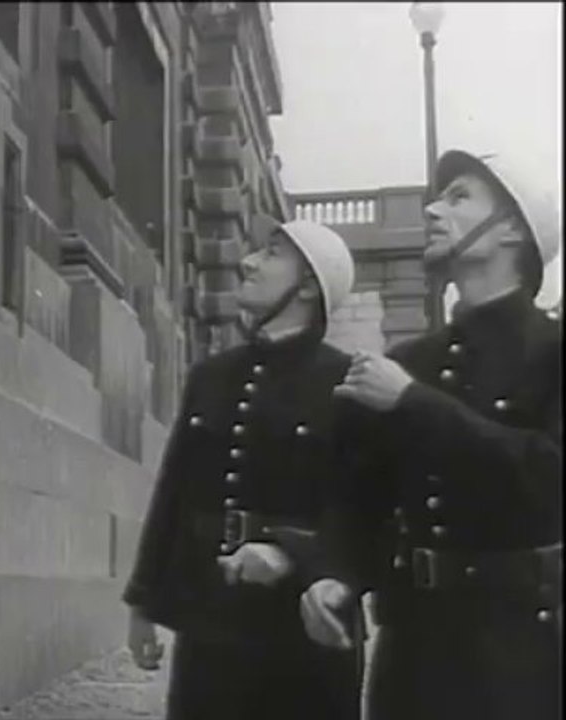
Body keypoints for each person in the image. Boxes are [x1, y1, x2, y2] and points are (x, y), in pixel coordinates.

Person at [300, 147, 562, 720]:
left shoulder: (552, 353)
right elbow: (358, 499)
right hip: (412, 654)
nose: (433, 210)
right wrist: (336, 575)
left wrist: (414, 404)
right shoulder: (409, 361)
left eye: (459, 197)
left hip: (521, 656)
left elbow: (549, 475)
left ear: (512, 230)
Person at [123, 215, 363, 720]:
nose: (248, 262)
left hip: (305, 628)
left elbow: (363, 513)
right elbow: (174, 494)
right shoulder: (211, 376)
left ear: (307, 286)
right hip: (213, 620)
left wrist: (291, 553)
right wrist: (144, 602)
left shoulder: (349, 383)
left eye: (272, 253)